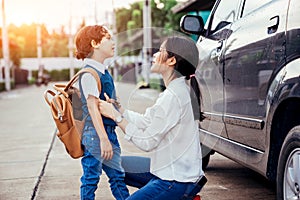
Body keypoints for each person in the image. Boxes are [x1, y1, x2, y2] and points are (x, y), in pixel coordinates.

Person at [99, 36, 206, 200]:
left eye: (160, 51)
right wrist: (118, 109)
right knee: (114, 163)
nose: (155, 55)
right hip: (167, 170)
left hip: (175, 181)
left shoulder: (174, 97)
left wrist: (115, 117)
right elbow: (147, 121)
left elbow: (147, 141)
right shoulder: (176, 91)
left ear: (171, 61)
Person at [74, 25, 129, 200]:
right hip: (96, 136)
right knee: (91, 179)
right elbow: (92, 108)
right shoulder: (89, 73)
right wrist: (104, 140)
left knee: (118, 178)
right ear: (95, 43)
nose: (114, 42)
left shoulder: (104, 72)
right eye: (109, 38)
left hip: (108, 133)